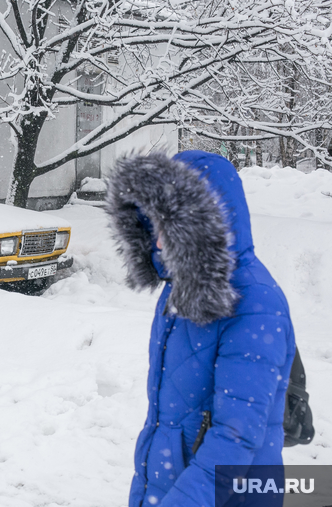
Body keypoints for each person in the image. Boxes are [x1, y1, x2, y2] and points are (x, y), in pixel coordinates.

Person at [105, 151, 296, 507]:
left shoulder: (255, 304)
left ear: (204, 222)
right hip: (170, 486)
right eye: (154, 224)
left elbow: (234, 440)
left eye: (169, 226)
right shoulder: (179, 286)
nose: (158, 241)